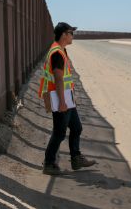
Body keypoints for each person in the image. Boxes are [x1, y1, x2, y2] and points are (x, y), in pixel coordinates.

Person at [38, 22, 96, 175]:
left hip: (66, 98)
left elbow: (63, 78)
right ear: (64, 34)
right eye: (71, 32)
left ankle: (76, 159)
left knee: (76, 128)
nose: (72, 36)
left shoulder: (61, 50)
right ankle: (49, 164)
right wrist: (63, 101)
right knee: (59, 132)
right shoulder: (57, 52)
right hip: (60, 99)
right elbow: (58, 78)